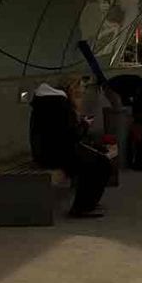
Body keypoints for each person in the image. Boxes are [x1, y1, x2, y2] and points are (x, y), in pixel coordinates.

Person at [29, 78, 110, 218]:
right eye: (82, 88)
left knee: (97, 161)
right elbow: (72, 135)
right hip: (57, 154)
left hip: (46, 152)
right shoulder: (61, 105)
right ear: (72, 88)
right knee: (99, 164)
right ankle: (82, 207)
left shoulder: (45, 103)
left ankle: (86, 204)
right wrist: (85, 125)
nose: (83, 91)